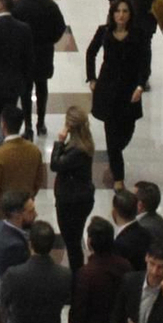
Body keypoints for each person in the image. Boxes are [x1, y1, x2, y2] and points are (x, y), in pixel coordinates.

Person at [85, 0, 149, 184]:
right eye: (117, 11)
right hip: (107, 87)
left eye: (125, 11)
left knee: (127, 131)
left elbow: (145, 62)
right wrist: (92, 78)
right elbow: (91, 52)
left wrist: (140, 85)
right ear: (112, 14)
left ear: (130, 15)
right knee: (111, 133)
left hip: (129, 89)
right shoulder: (104, 31)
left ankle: (116, 153)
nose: (121, 15)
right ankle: (118, 177)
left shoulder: (139, 34)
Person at [9, 0, 68, 136]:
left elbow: (11, 28)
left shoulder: (17, 5)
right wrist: (49, 41)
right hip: (43, 53)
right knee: (42, 87)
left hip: (22, 55)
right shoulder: (50, 6)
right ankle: (41, 122)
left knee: (25, 90)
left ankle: (27, 125)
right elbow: (60, 28)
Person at [49, 104, 97, 273]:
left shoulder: (77, 150)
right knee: (74, 238)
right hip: (80, 198)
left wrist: (59, 142)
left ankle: (77, 275)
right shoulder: (85, 142)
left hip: (71, 201)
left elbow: (55, 165)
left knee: (72, 241)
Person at [0, 104, 45, 226]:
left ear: (3, 124)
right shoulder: (34, 150)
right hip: (27, 210)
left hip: (3, 213)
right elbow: (39, 180)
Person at [0, 0, 34, 123]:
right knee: (7, 123)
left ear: (0, 5)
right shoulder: (24, 28)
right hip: (13, 86)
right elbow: (28, 59)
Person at [0, 188, 35, 282]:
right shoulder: (14, 246)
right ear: (17, 215)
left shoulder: (6, 232)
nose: (36, 214)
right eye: (31, 211)